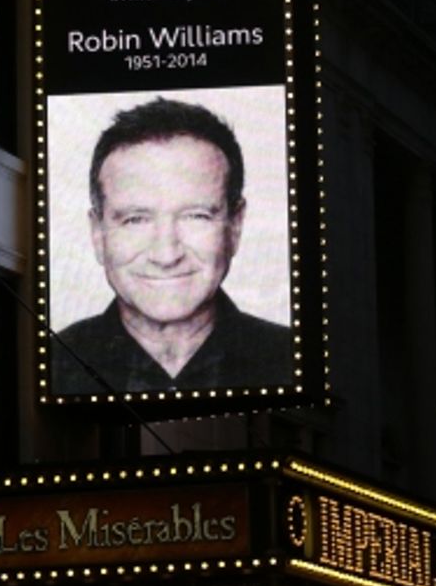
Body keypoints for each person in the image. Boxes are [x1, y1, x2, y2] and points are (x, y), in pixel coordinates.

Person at [52, 97, 292, 394]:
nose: (166, 255)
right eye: (135, 219)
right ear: (98, 234)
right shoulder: (51, 365)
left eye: (196, 216)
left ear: (235, 226)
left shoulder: (293, 361)